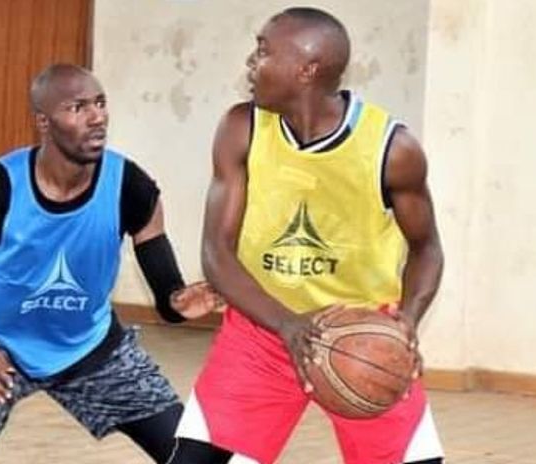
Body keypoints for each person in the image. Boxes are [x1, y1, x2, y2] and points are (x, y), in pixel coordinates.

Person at [170, 7, 445, 464]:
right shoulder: (242, 129)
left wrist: (407, 323)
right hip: (264, 328)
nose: (250, 63)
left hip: (361, 335)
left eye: (262, 51)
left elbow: (427, 248)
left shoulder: (391, 149)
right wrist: (285, 324)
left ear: (307, 68)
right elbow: (216, 251)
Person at [0, 63, 222, 464]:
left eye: (100, 103)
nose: (97, 117)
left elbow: (168, 296)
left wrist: (179, 301)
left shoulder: (130, 186)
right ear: (43, 122)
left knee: (196, 458)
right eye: (77, 107)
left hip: (91, 346)